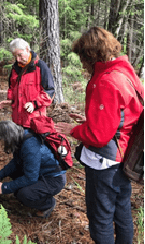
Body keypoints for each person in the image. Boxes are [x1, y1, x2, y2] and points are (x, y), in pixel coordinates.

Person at [55, 27, 144, 243]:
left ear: (91, 55)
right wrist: (90, 120)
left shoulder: (106, 81)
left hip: (106, 162)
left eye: (83, 58)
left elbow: (99, 136)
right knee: (121, 210)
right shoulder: (125, 72)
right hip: (125, 155)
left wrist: (73, 130)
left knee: (100, 217)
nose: (83, 64)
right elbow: (121, 116)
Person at [0, 121, 66, 218]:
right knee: (15, 177)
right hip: (41, 172)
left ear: (8, 137)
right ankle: (33, 193)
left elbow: (31, 178)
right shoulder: (21, 137)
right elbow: (16, 162)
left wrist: (4, 188)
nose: (0, 143)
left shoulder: (30, 146)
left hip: (53, 179)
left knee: (24, 194)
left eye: (0, 140)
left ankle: (48, 204)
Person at [0, 38, 55, 128]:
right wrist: (10, 100)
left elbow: (49, 92)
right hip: (17, 120)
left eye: (20, 55)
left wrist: (34, 104)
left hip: (35, 122)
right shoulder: (15, 69)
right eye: (15, 56)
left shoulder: (40, 66)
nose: (18, 59)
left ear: (27, 49)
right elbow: (12, 88)